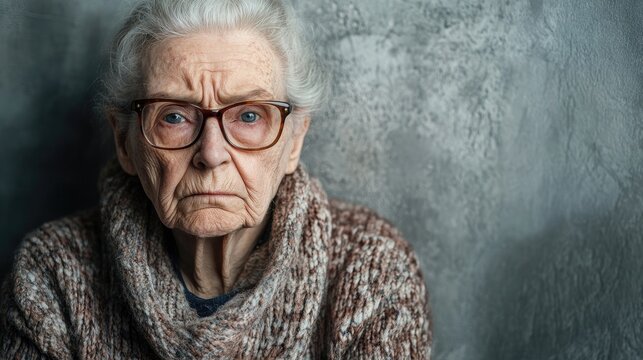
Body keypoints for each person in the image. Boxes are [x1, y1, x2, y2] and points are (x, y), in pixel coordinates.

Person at [0, 0, 432, 358]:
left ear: (295, 141)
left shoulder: (371, 271)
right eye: (173, 116)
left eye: (248, 116)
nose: (210, 154)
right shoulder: (53, 274)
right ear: (125, 142)